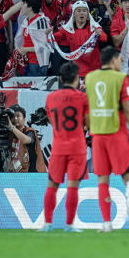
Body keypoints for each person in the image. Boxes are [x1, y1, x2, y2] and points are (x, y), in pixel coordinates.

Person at [85, 47, 129, 232]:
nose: (122, 64)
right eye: (121, 61)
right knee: (128, 176)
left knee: (102, 179)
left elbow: (87, 108)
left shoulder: (90, 78)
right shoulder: (120, 79)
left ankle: (107, 223)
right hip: (117, 134)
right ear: (114, 60)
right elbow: (128, 108)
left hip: (98, 135)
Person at [39, 62, 89, 233]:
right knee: (73, 186)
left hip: (59, 146)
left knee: (52, 185)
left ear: (60, 78)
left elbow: (52, 120)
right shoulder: (83, 98)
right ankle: (69, 225)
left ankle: (47, 224)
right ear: (77, 78)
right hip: (77, 147)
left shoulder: (51, 98)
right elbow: (88, 123)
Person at [0, 105, 47, 173]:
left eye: (18, 116)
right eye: (13, 117)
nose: (15, 119)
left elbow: (26, 140)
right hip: (16, 174)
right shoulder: (9, 133)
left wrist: (11, 128)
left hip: (32, 174)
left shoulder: (29, 131)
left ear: (24, 118)